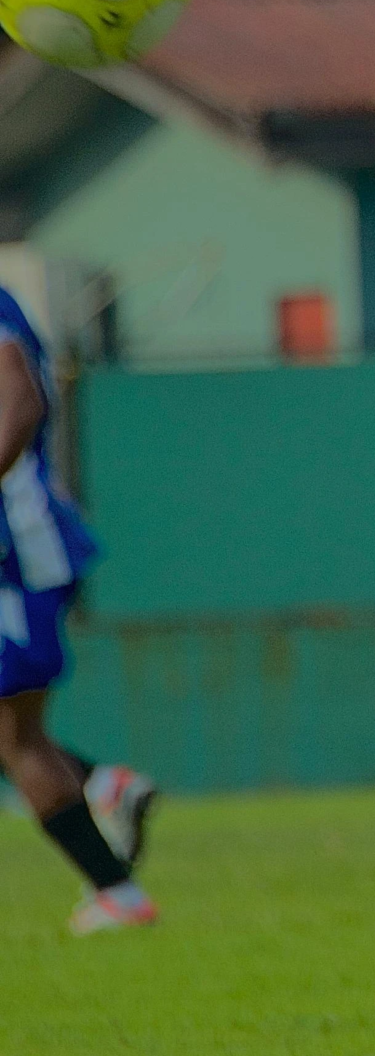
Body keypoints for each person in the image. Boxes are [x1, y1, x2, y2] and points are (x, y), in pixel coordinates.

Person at [0, 283, 158, 933]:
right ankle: (102, 786)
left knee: (15, 734)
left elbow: (21, 398)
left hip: (15, 548)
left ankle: (117, 892)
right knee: (13, 731)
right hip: (22, 546)